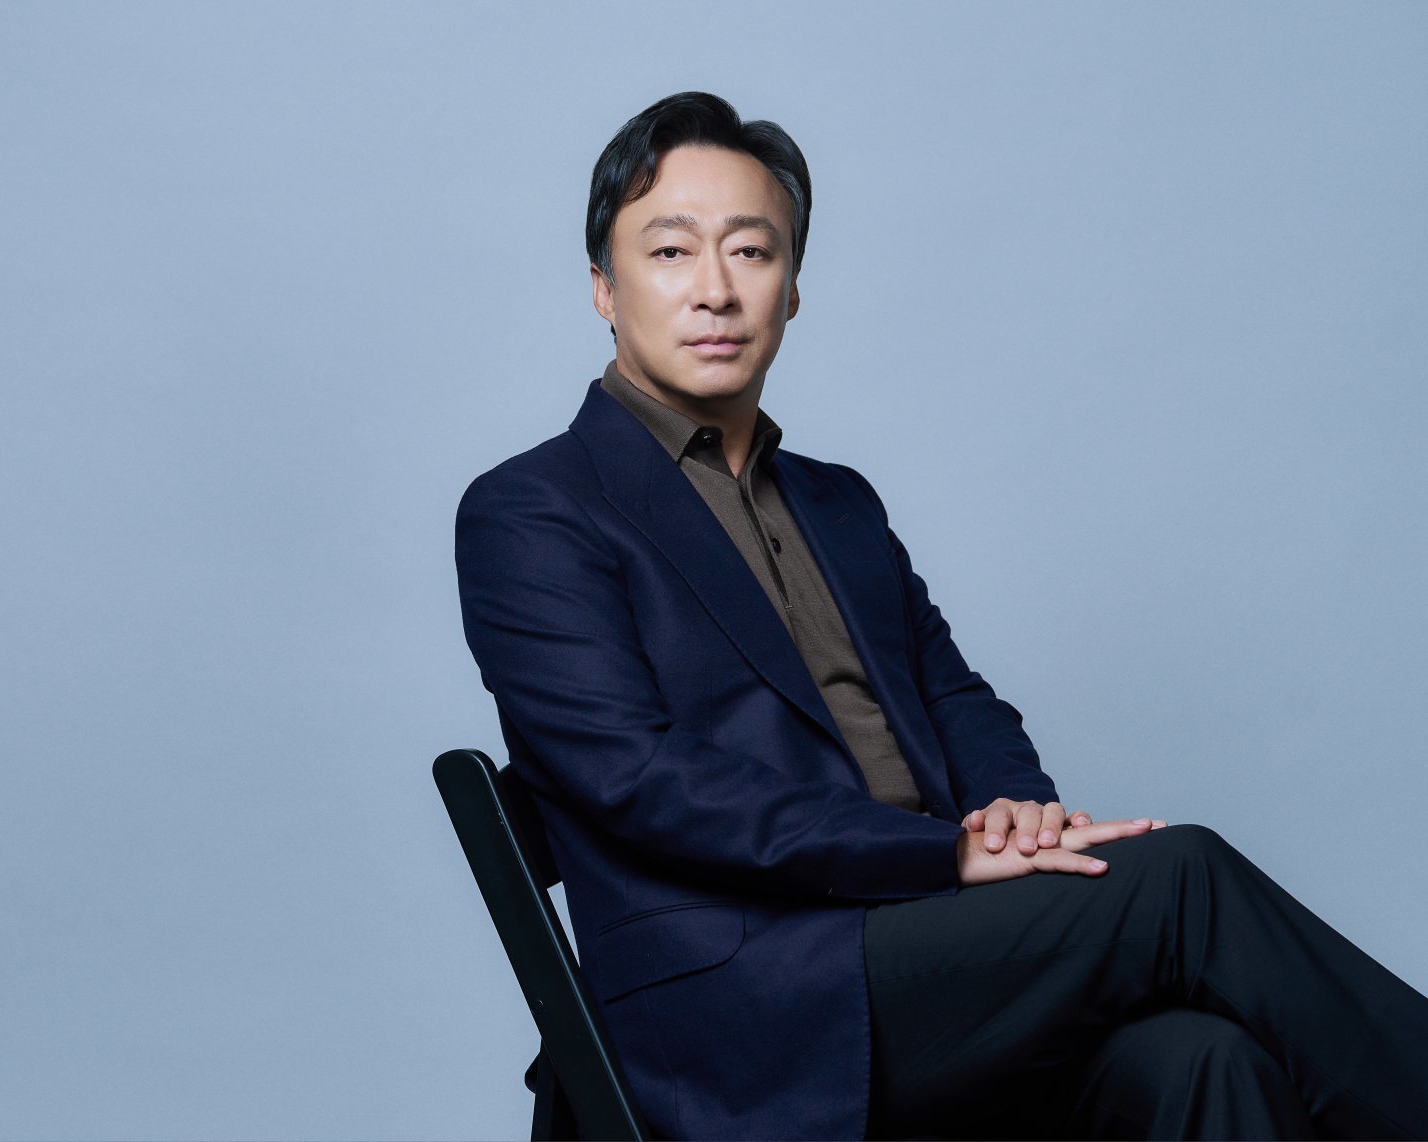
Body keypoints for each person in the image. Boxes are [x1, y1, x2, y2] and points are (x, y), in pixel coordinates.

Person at [454, 92, 1428, 1140]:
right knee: (1181, 879)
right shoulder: (534, 511)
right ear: (603, 287)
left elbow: (956, 697)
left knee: (1204, 1057)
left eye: (751, 250)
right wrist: (940, 854)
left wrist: (1016, 811)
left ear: (792, 289)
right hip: (745, 999)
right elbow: (641, 780)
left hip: (933, 952)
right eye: (670, 251)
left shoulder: (838, 503)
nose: (716, 289)